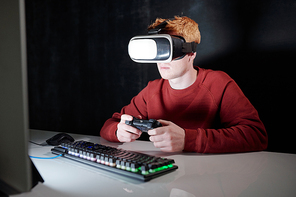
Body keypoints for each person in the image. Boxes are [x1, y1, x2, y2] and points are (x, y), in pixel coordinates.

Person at [100, 16, 268, 153]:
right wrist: (118, 131)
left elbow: (256, 135)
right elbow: (110, 124)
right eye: (160, 50)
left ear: (191, 53)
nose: (163, 59)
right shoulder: (152, 90)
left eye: (171, 49)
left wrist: (189, 139)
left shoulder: (218, 83)